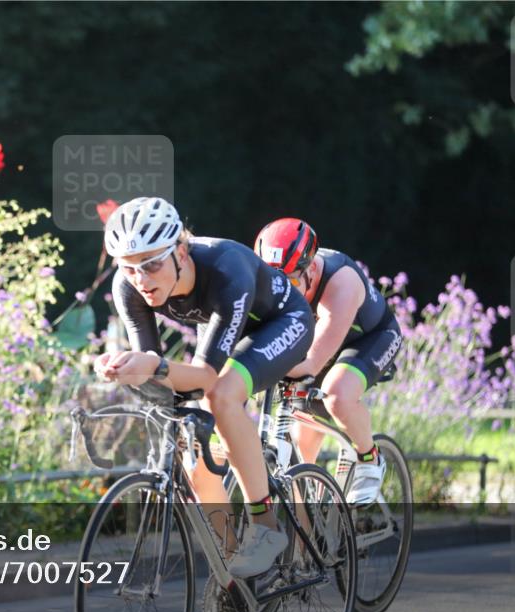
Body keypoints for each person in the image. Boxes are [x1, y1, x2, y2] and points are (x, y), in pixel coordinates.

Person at [95, 197, 315, 578]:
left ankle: (265, 526)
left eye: (151, 264)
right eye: (129, 268)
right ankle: (232, 575)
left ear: (180, 252)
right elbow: (155, 367)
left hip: (281, 322)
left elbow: (205, 376)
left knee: (221, 395)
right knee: (192, 454)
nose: (141, 280)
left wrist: (154, 366)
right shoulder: (127, 287)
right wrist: (123, 368)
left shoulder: (226, 267)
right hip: (222, 324)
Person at [254, 218, 403, 504]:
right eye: (273, 283)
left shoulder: (341, 282)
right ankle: (312, 519)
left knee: (337, 395)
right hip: (321, 345)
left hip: (370, 338)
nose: (281, 292)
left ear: (311, 268)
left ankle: (369, 458)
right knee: (300, 449)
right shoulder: (278, 282)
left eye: (291, 282)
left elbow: (311, 363)